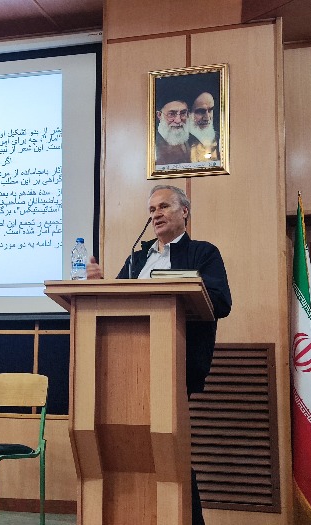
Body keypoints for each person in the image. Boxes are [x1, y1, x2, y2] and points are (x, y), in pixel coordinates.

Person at [86, 184, 232, 525]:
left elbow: (221, 302)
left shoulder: (202, 253)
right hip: (125, 366)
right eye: (152, 210)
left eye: (163, 207)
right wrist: (99, 284)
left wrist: (183, 286)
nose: (156, 215)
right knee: (129, 449)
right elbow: (116, 302)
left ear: (184, 211)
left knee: (169, 451)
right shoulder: (137, 258)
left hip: (174, 364)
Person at [155, 95, 191, 166]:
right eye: (171, 114)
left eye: (183, 113)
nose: (178, 120)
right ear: (159, 115)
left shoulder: (192, 140)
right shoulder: (151, 143)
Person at [188, 92, 219, 163]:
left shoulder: (221, 140)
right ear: (188, 113)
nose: (207, 118)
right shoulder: (179, 146)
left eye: (210, 110)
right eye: (201, 111)